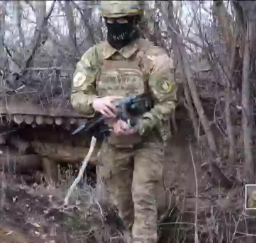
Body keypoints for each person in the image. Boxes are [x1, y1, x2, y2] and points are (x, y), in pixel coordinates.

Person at [70, 1, 178, 242]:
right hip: (112, 142)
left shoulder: (154, 58)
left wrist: (140, 123)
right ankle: (136, 235)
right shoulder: (94, 57)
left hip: (147, 142)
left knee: (142, 196)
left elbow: (167, 104)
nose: (116, 27)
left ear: (135, 21)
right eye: (111, 21)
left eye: (122, 21)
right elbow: (77, 96)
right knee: (123, 203)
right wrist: (95, 103)